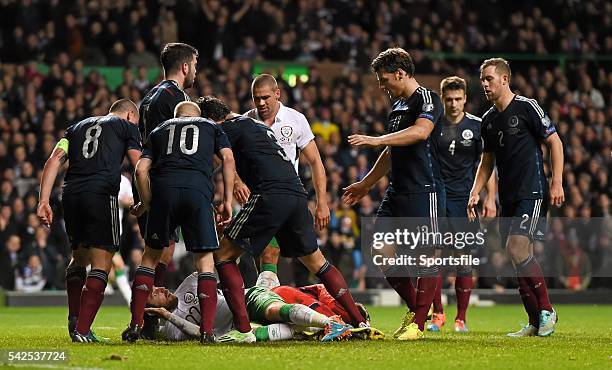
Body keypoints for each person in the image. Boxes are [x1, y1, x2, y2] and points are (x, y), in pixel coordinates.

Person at [197, 96, 369, 342]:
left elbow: (222, 160)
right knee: (317, 262)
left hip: (270, 194)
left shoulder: (224, 129)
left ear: (210, 120)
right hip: (297, 194)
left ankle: (244, 331)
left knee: (223, 256)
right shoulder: (256, 126)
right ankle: (358, 321)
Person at [342, 47, 445, 340]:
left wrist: (376, 139)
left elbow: (421, 132)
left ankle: (419, 324)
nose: (381, 86)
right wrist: (366, 184)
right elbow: (390, 152)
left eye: (384, 79)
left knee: (427, 256)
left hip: (424, 189)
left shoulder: (427, 99)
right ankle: (417, 311)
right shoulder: (397, 107)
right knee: (381, 251)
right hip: (397, 190)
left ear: (401, 73)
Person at [122, 102, 235, 344]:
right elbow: (227, 158)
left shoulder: (159, 129)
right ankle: (206, 332)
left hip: (165, 194)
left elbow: (141, 171)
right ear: (197, 115)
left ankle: (135, 325)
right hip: (198, 193)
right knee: (205, 263)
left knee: (150, 259)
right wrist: (227, 200)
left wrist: (146, 203)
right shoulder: (210, 126)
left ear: (176, 115)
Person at [468, 58, 564, 337]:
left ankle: (547, 310)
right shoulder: (488, 120)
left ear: (505, 79)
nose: (485, 84)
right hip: (508, 198)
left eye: (489, 79)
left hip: (531, 190)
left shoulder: (526, 107)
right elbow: (487, 162)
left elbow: (555, 142)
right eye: (483, 79)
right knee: (517, 255)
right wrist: (476, 191)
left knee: (517, 247)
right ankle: (535, 321)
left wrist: (556, 182)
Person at [37, 99, 142, 343]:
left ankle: (74, 320)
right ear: (129, 115)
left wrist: (43, 201)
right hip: (101, 193)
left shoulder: (76, 128)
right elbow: (138, 165)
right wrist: (146, 199)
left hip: (71, 195)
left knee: (79, 256)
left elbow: (53, 161)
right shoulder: (127, 127)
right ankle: (83, 331)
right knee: (102, 263)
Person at [427, 76, 497, 333]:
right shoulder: (433, 125)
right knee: (432, 256)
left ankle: (461, 318)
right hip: (437, 197)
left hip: (465, 201)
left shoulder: (478, 126)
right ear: (442, 98)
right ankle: (438, 315)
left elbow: (487, 164)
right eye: (449, 99)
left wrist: (490, 198)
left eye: (458, 99)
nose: (454, 104)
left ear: (465, 99)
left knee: (463, 260)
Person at [243, 74, 329, 275]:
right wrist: (238, 182)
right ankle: (266, 300)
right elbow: (232, 158)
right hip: (262, 197)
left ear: (277, 94)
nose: (261, 103)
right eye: (257, 98)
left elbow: (315, 161)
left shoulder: (296, 119)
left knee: (313, 260)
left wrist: (322, 202)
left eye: (265, 97)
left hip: (291, 196)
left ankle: (345, 303)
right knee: (267, 253)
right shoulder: (246, 121)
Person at [135, 42, 199, 287]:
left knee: (161, 248)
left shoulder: (150, 96)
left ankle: (147, 311)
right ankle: (147, 313)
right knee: (159, 251)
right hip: (165, 178)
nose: (195, 71)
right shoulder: (177, 99)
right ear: (184, 67)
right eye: (194, 65)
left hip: (148, 176)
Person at [142, 271, 354, 343]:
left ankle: (330, 322)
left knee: (273, 311)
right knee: (262, 334)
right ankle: (319, 328)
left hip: (247, 301)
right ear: (151, 309)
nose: (160, 289)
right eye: (154, 294)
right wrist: (165, 316)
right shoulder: (172, 328)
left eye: (157, 287)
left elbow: (220, 270)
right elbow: (201, 333)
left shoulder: (189, 283)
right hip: (238, 328)